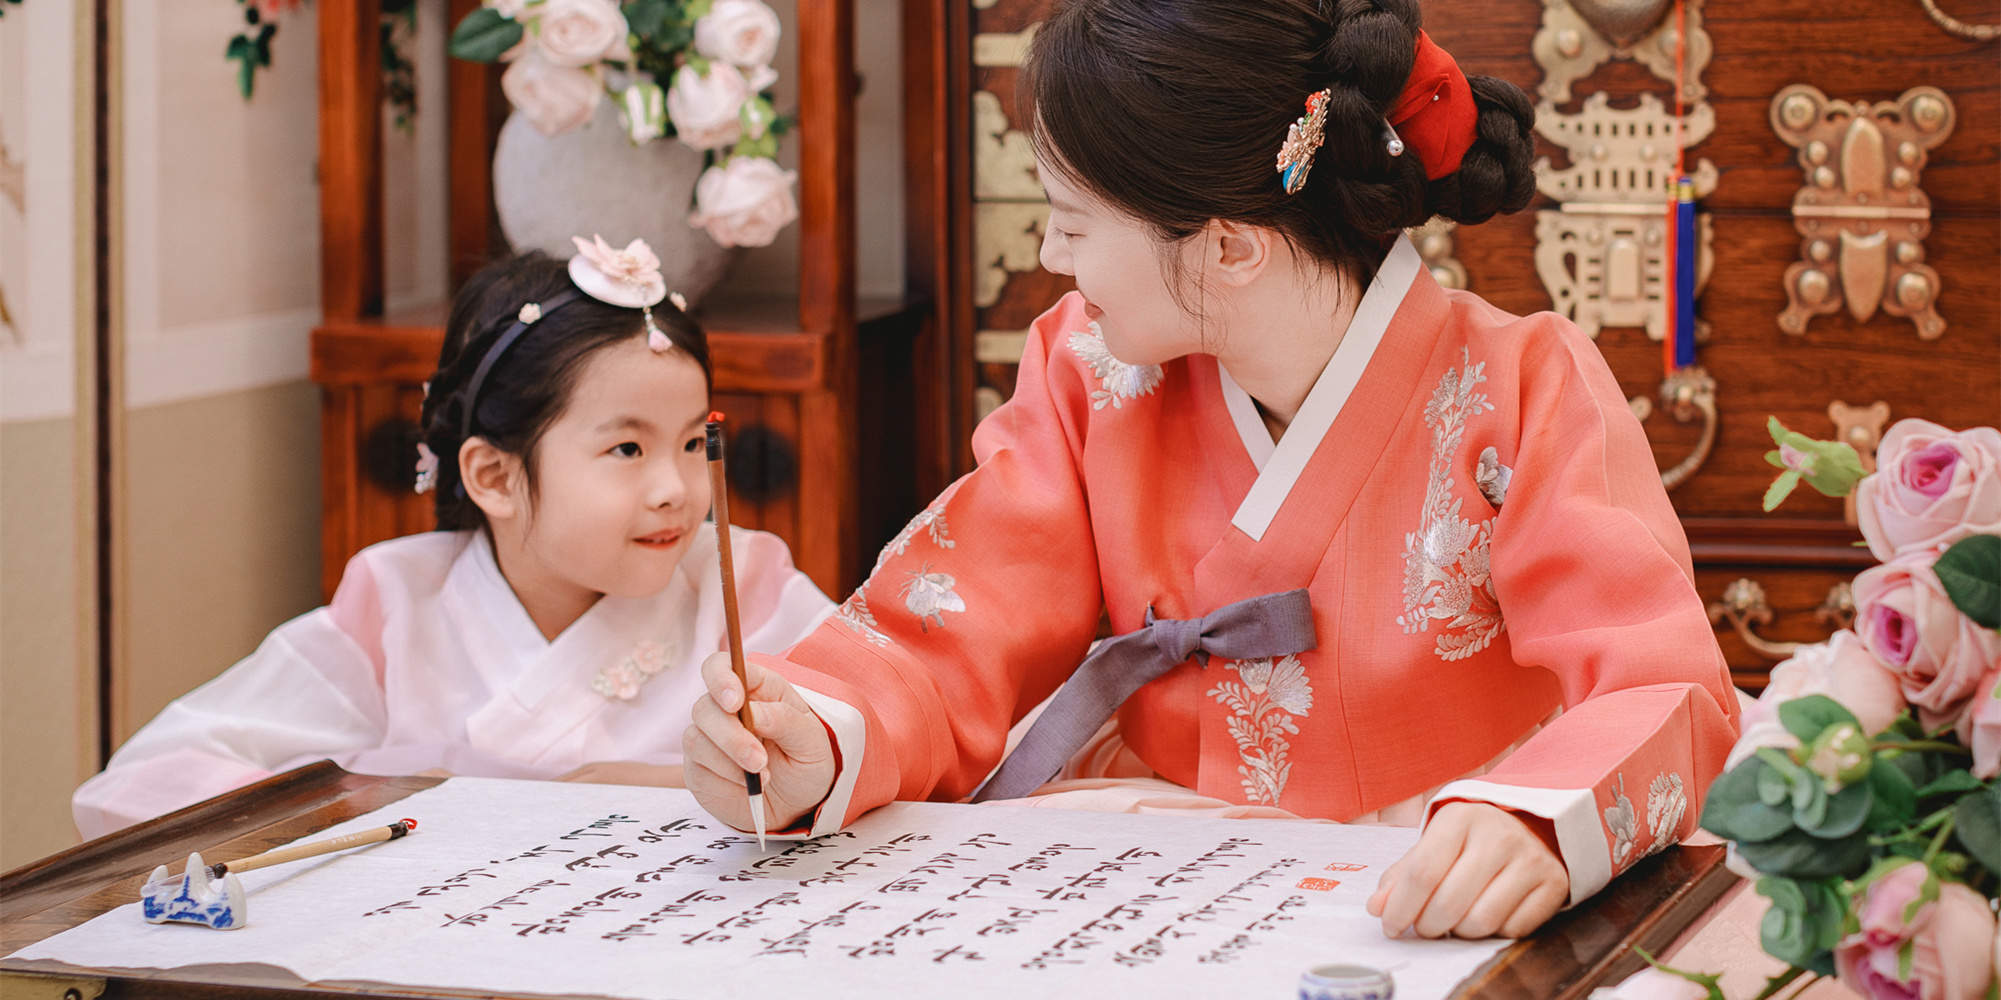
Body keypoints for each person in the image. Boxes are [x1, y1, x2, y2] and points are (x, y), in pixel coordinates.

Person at [682, 0, 1739, 940]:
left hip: (1434, 878)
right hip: (1152, 882)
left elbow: (1660, 680)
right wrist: (816, 734)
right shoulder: (1090, 373)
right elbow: (955, 620)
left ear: (1231, 248)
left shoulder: (1524, 388)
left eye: (1076, 220)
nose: (1051, 253)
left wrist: (1535, 824)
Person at [74, 237, 833, 839]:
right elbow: (148, 780)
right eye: (628, 450)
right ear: (495, 476)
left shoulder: (741, 583)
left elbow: (887, 744)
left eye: (695, 443)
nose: (677, 488)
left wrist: (649, 788)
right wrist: (438, 805)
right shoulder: (396, 606)